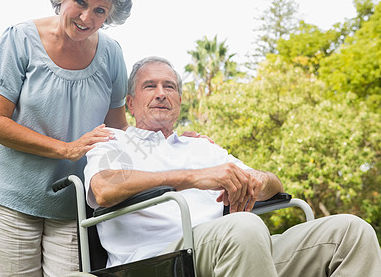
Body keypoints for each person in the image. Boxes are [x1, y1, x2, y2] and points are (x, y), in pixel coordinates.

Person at [84, 56, 381, 276]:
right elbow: (104, 189)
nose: (161, 92)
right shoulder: (113, 141)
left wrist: (258, 182)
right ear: (131, 104)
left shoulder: (202, 147)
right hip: (158, 259)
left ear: (179, 101)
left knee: (350, 231)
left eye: (169, 86)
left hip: (238, 249)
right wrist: (193, 177)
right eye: (150, 86)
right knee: (243, 226)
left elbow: (274, 185)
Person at [0, 0, 133, 276]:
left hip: (73, 205)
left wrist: (165, 139)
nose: (87, 18)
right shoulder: (20, 39)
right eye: (81, 3)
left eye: (100, 11)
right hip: (11, 196)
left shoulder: (112, 54)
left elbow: (118, 127)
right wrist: (66, 149)